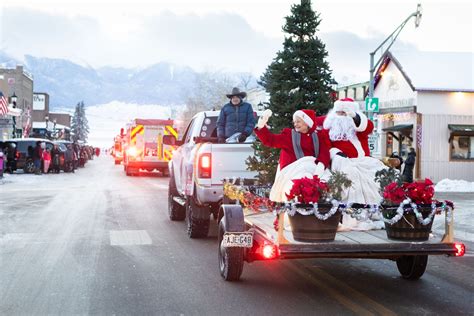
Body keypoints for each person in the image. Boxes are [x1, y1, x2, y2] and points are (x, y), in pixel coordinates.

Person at [323, 98, 387, 230]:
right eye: (339, 113)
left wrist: (354, 116)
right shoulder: (328, 129)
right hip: (342, 162)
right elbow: (326, 147)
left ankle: (379, 211)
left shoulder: (358, 129)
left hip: (365, 162)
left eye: (344, 113)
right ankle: (357, 215)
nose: (341, 116)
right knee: (352, 176)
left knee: (382, 174)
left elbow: (368, 126)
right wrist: (335, 153)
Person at [254, 108, 331, 202]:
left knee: (328, 182)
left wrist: (321, 165)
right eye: (294, 122)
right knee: (297, 185)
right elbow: (271, 140)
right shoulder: (289, 136)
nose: (295, 124)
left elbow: (325, 152)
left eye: (298, 121)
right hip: (293, 170)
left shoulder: (318, 136)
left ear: (307, 123)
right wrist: (261, 127)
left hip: (315, 168)